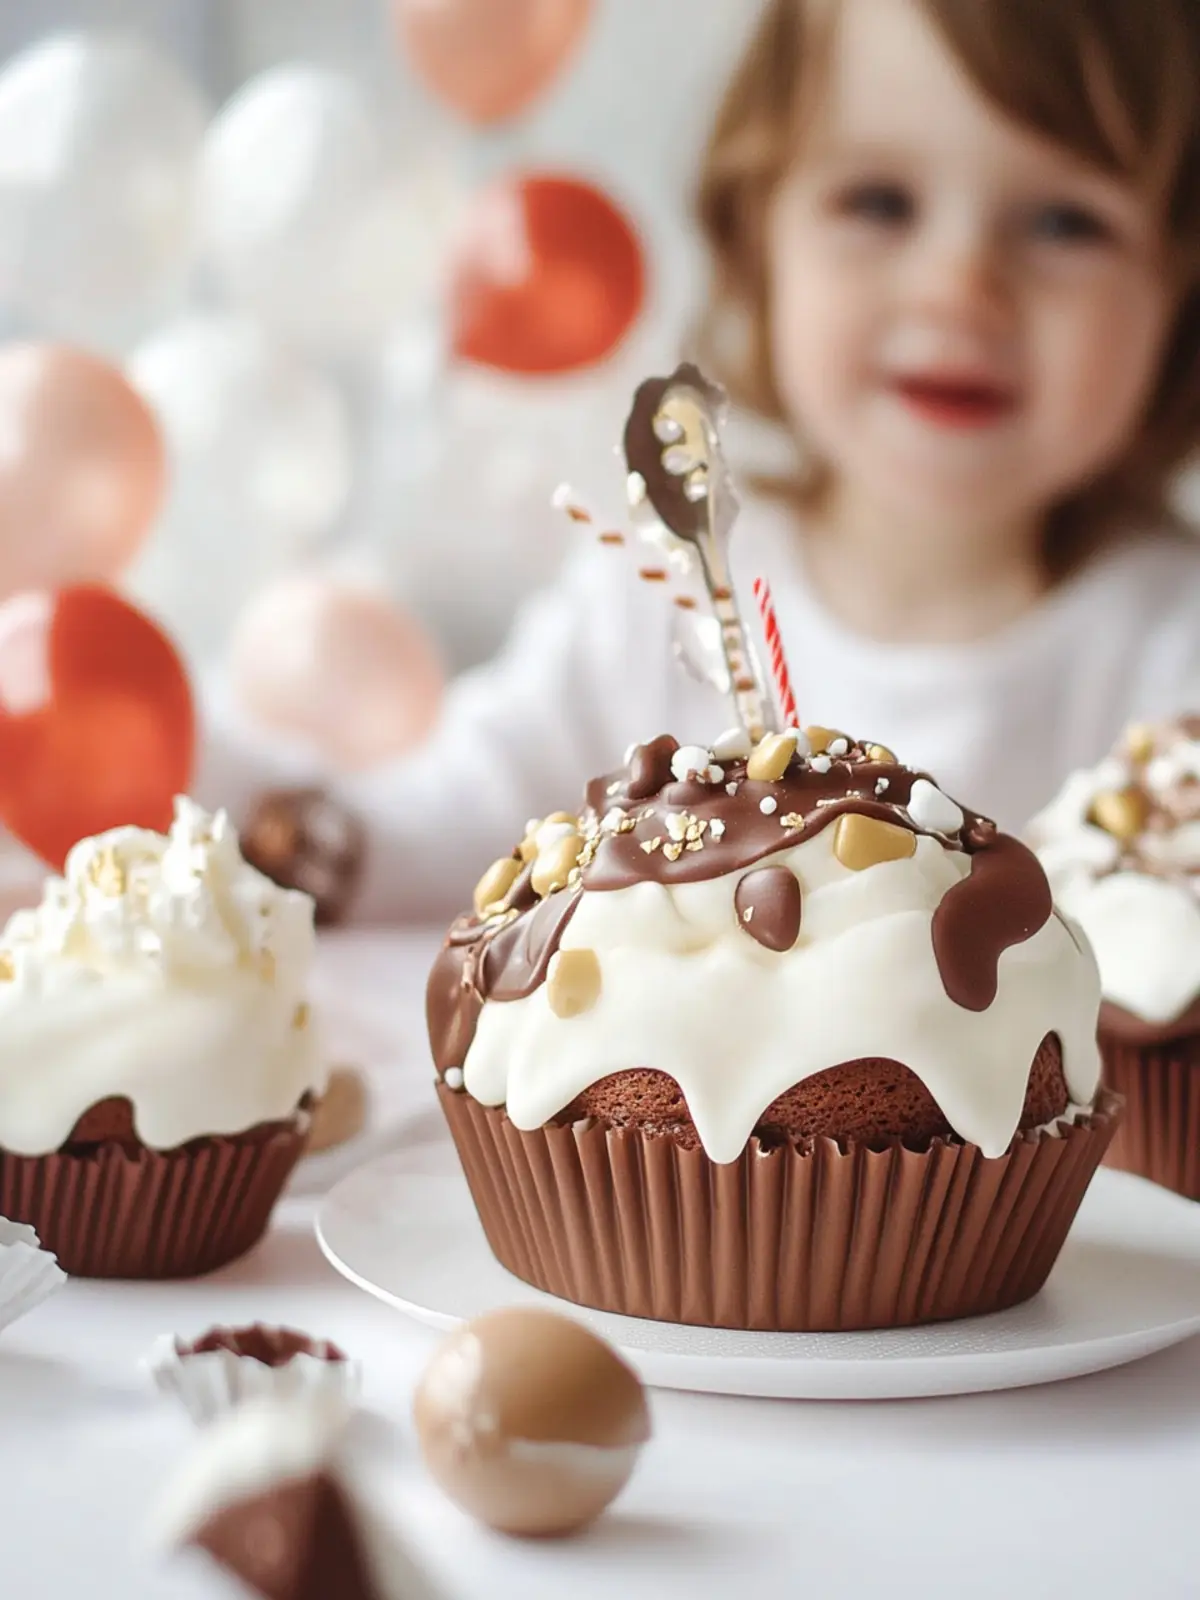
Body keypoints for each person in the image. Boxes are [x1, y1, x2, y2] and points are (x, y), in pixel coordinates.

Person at [201, 0, 1200, 922]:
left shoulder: (1169, 647)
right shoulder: (672, 578)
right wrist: (311, 840)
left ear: (1181, 291)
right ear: (755, 234)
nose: (959, 286)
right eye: (880, 202)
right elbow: (473, 809)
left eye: (1068, 223)